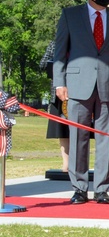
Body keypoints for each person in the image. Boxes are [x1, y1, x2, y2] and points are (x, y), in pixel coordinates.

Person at [52, 0, 109, 205]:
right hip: (77, 86)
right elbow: (60, 53)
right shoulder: (70, 15)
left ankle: (101, 189)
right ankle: (79, 188)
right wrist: (60, 83)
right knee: (78, 137)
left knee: (105, 139)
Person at [39, 41, 69, 172]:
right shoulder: (54, 44)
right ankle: (66, 164)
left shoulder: (83, 42)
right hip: (58, 95)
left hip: (80, 94)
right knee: (62, 130)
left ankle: (78, 164)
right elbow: (42, 65)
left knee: (80, 129)